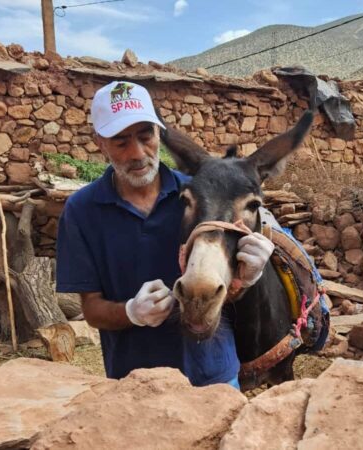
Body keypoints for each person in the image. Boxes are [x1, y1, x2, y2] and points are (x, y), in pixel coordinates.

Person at [55, 81, 274, 388]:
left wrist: (248, 276)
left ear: (158, 133)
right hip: (136, 383)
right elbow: (91, 308)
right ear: (99, 142)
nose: (137, 153)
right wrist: (131, 312)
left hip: (214, 379)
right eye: (120, 142)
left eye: (146, 136)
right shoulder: (82, 211)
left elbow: (230, 292)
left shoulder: (202, 194)